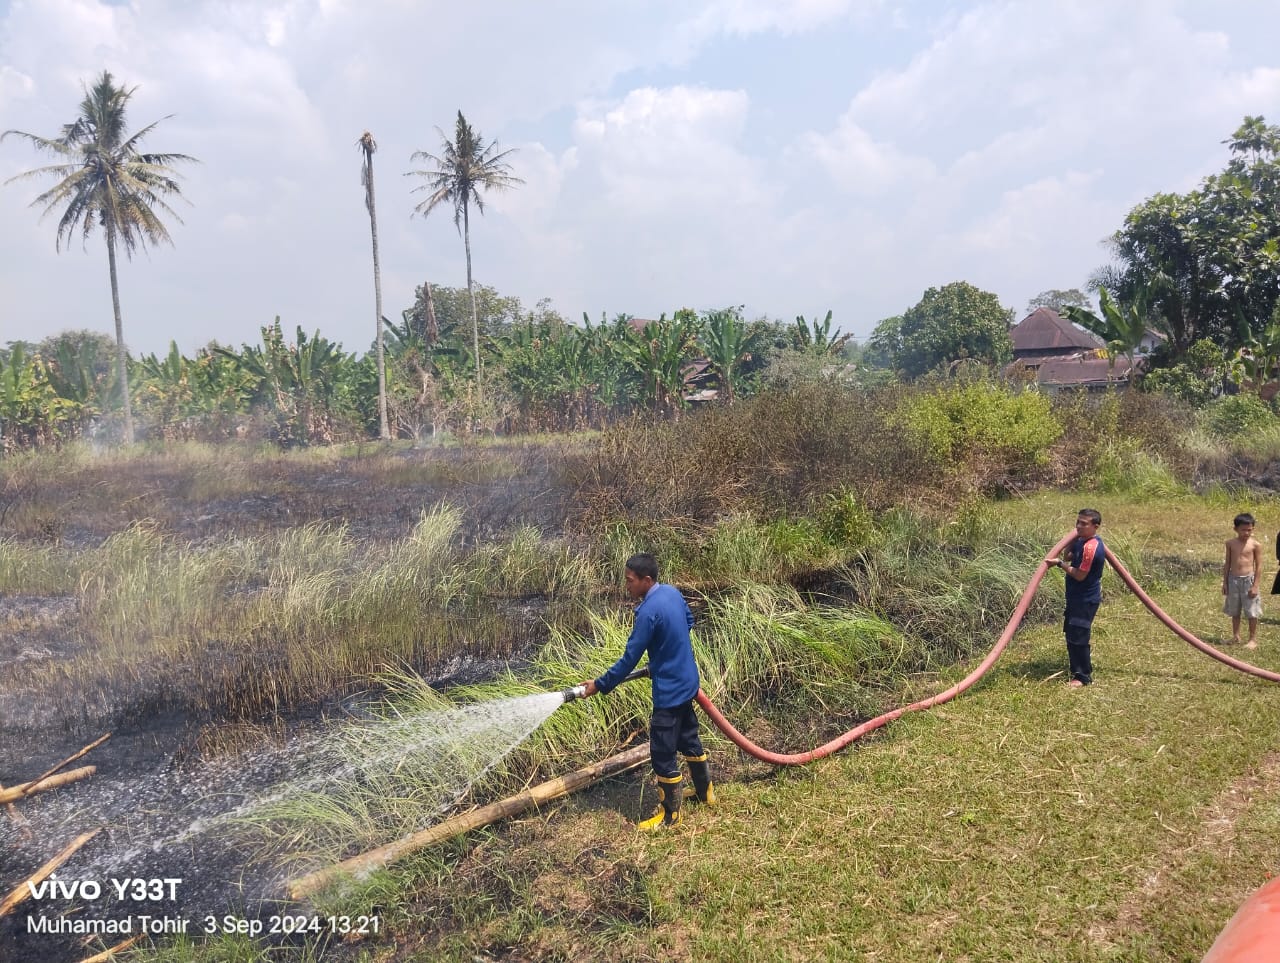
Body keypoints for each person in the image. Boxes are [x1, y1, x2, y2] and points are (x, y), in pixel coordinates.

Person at [579, 553, 715, 831]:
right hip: (687, 682)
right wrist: (664, 657)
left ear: (646, 580)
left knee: (662, 752)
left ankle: (669, 817)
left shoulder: (647, 612)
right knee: (689, 738)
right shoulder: (671, 593)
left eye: (630, 581)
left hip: (669, 692)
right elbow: (688, 622)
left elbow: (629, 659)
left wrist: (599, 685)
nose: (626, 585)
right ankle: (705, 794)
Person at [1044, 508, 1106, 687]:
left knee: (1079, 636)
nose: (1078, 526)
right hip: (1075, 597)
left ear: (1095, 527)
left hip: (1085, 599)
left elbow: (1079, 575)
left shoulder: (1091, 547)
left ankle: (1083, 676)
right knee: (1071, 634)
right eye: (1077, 522)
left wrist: (1060, 564)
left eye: (1084, 524)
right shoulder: (1081, 541)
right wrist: (1068, 544)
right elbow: (1070, 557)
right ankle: (1076, 671)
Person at [1223, 512, 1262, 649]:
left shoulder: (1255, 545)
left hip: (1248, 581)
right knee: (1235, 610)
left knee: (1251, 611)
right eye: (1243, 530)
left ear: (1253, 529)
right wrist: (1225, 582)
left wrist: (1255, 585)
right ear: (1235, 529)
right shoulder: (1230, 544)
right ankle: (1236, 636)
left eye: (1249, 530)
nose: (1246, 533)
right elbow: (1227, 563)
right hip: (1233, 580)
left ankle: (1252, 639)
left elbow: (1259, 566)